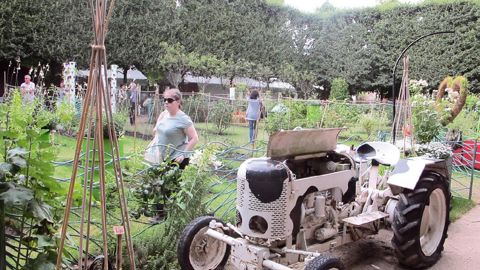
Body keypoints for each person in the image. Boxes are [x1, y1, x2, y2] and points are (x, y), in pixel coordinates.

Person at [153, 88, 199, 168]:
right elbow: (156, 131)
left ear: (178, 102)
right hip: (162, 157)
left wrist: (183, 155)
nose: (166, 102)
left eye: (170, 100)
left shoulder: (183, 119)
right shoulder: (163, 114)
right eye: (165, 100)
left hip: (177, 159)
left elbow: (194, 138)